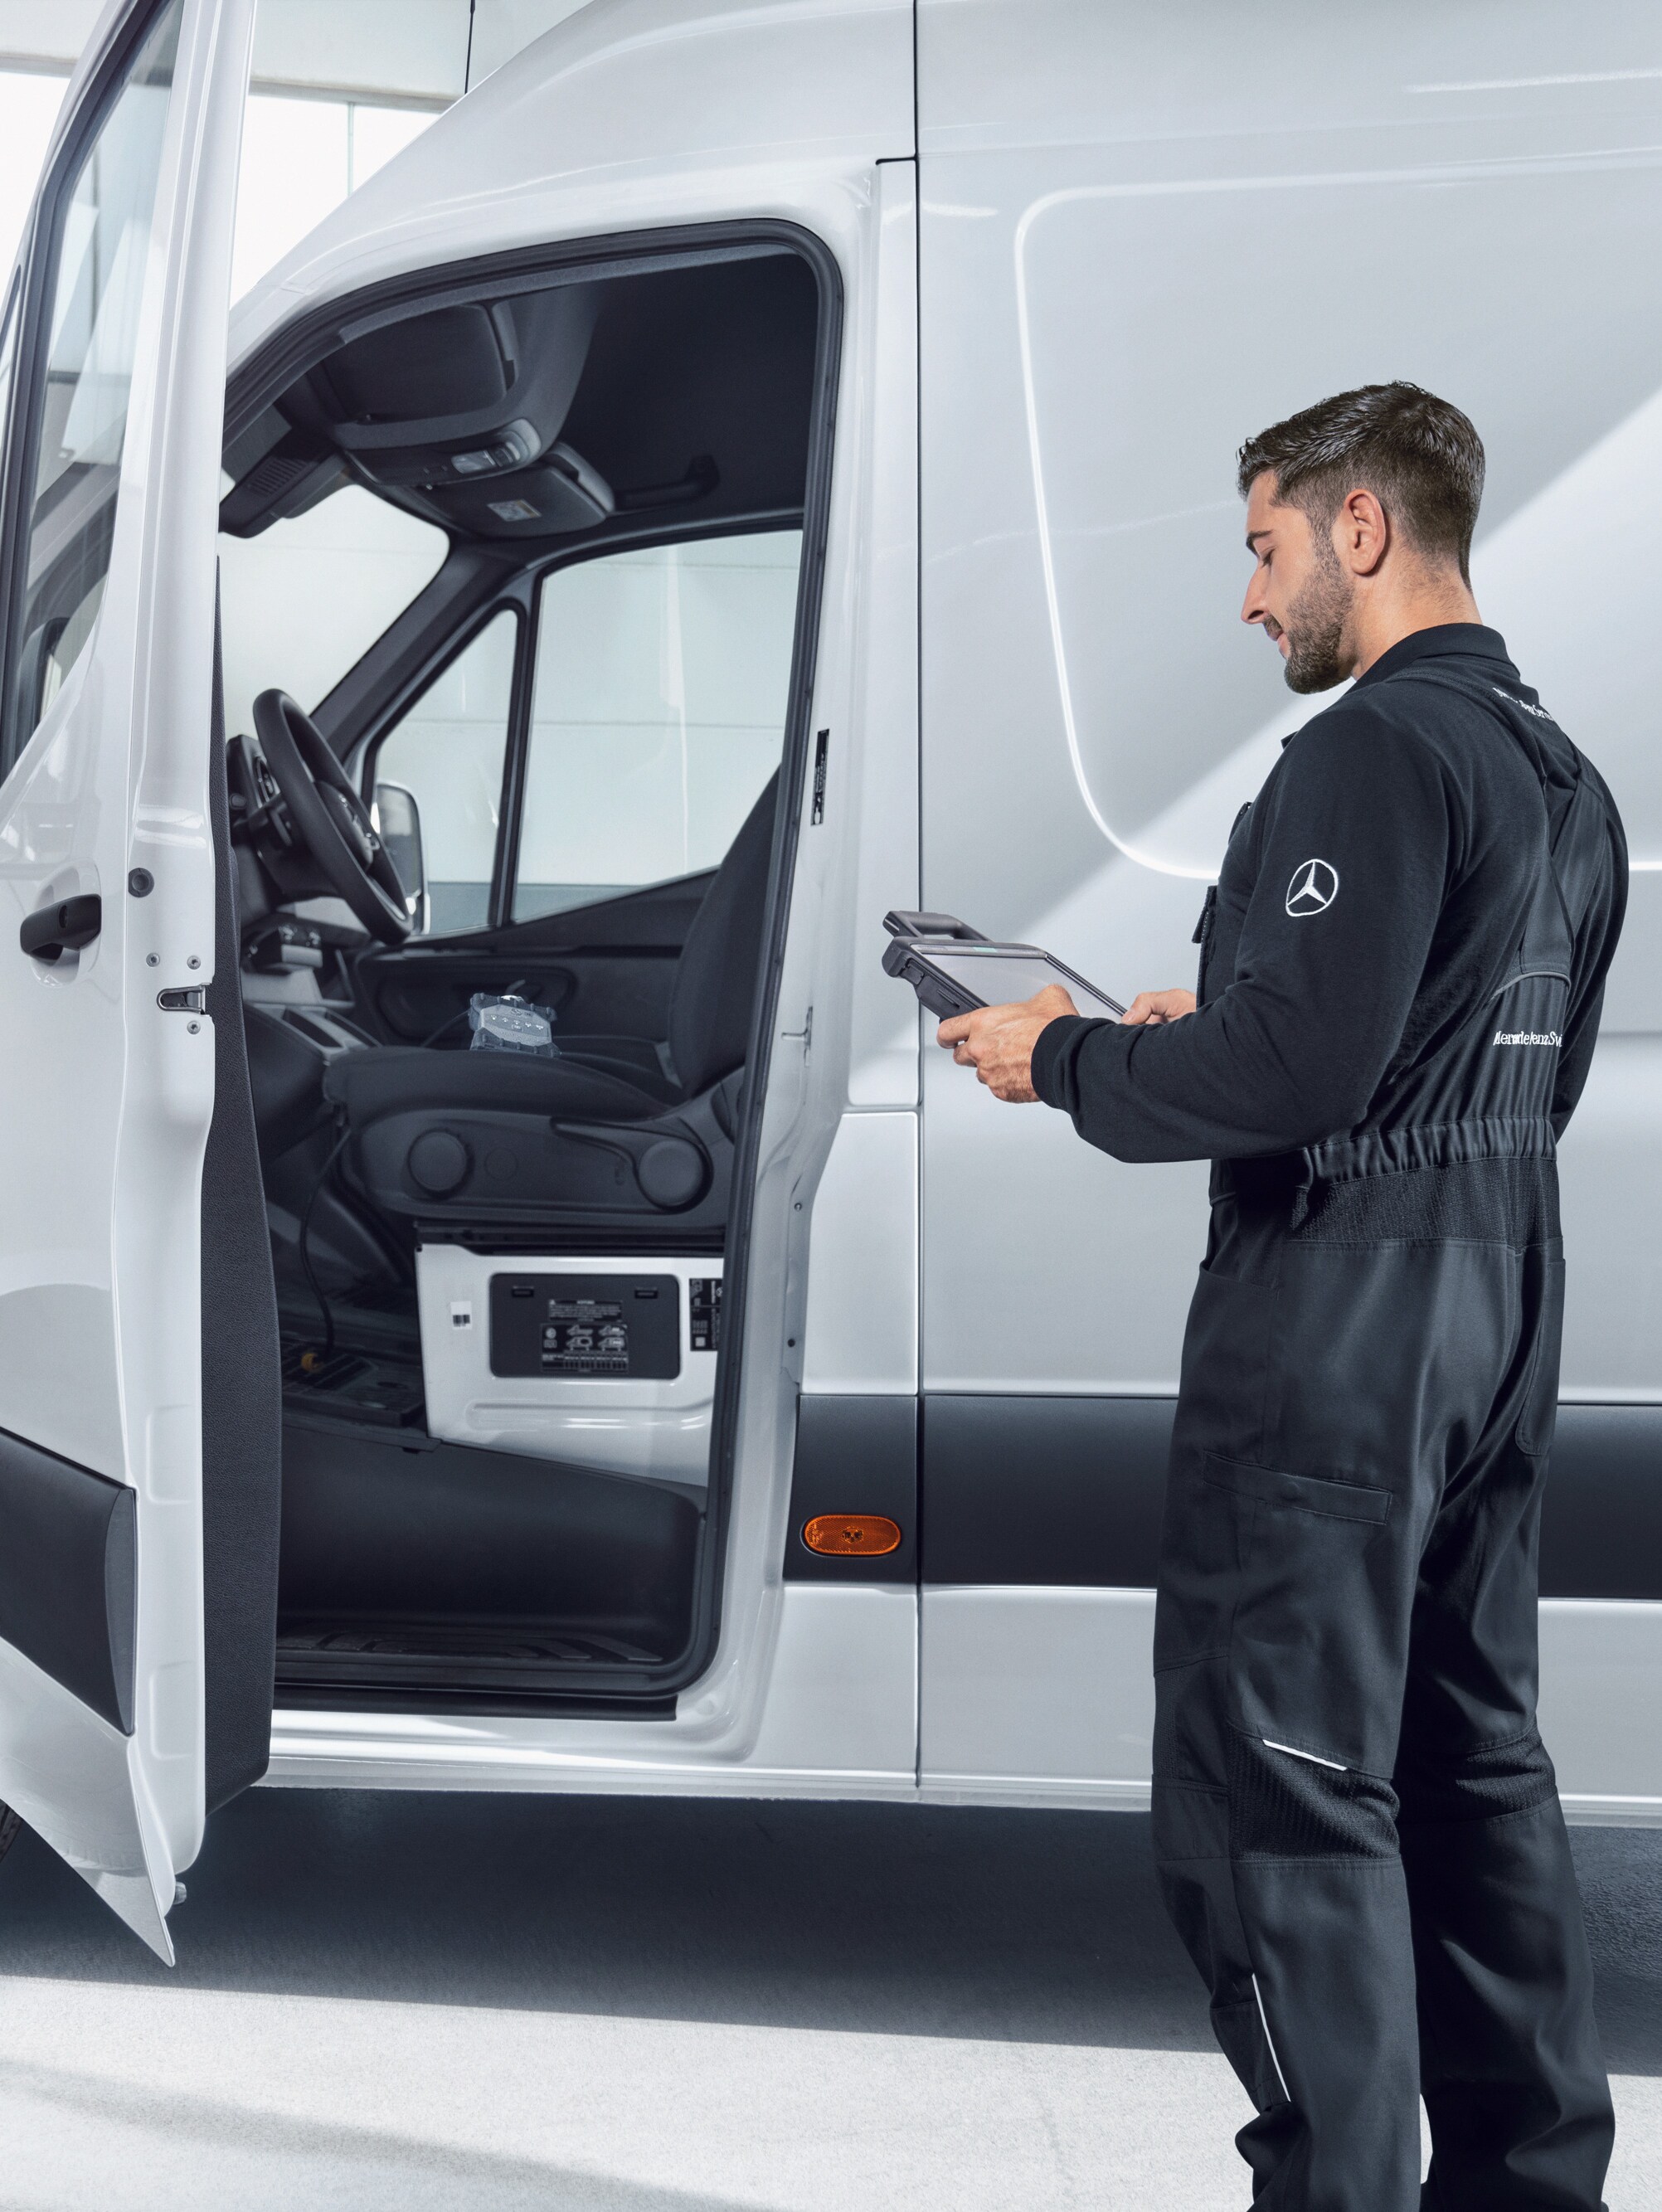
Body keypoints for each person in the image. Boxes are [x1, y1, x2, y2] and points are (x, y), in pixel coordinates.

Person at [940, 383, 1624, 2210]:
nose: (1253, 597)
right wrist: (1210, 1031)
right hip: (1499, 1287)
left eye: (1265, 546)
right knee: (1469, 1757)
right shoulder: (1563, 773)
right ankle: (1529, 2183)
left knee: (1282, 1783)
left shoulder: (1370, 752)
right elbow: (1457, 1062)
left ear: (1365, 529)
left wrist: (1069, 1053)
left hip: (1338, 1319)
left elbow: (1306, 1087)